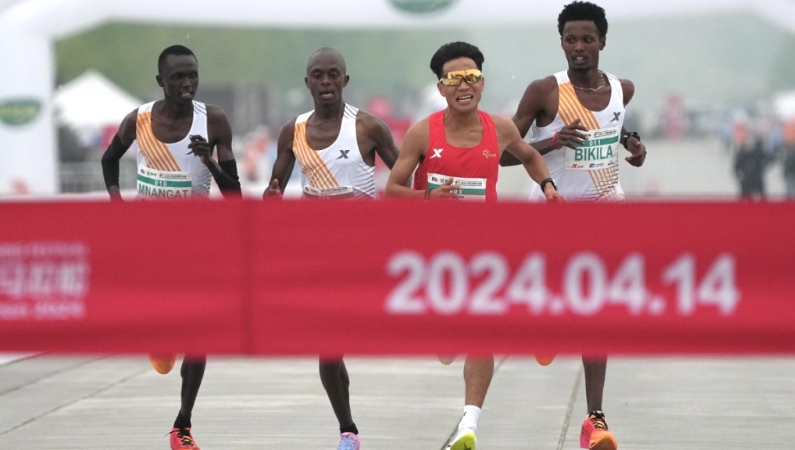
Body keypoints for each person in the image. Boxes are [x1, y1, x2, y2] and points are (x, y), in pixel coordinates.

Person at [385, 41, 563, 450]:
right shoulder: (422, 133)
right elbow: (393, 188)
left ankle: (469, 425)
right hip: (435, 257)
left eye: (471, 77)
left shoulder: (499, 129)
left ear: (482, 83)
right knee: (447, 347)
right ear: (442, 88)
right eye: (454, 80)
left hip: (484, 250)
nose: (463, 86)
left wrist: (548, 185)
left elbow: (529, 156)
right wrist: (428, 198)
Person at [500, 2, 647, 449]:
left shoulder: (622, 88)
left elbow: (613, 126)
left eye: (587, 39)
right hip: (553, 212)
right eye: (571, 40)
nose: (579, 47)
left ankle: (595, 420)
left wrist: (632, 144)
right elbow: (502, 154)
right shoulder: (545, 91)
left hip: (605, 211)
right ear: (561, 43)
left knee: (597, 314)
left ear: (603, 41)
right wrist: (550, 141)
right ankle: (545, 322)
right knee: (556, 297)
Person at [101, 44, 241, 450]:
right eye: (178, 76)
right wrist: (117, 204)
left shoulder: (213, 120)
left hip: (198, 247)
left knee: (199, 335)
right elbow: (109, 160)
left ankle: (182, 426)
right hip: (150, 247)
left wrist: (209, 161)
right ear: (161, 80)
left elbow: (235, 196)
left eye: (192, 75)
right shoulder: (140, 119)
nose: (187, 83)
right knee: (163, 349)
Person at [263, 47, 400, 450]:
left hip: (365, 253)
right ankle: (348, 431)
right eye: (318, 75)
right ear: (307, 82)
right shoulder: (292, 131)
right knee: (327, 348)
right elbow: (275, 187)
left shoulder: (368, 127)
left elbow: (405, 177)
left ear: (345, 80)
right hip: (318, 255)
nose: (326, 82)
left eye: (333, 74)